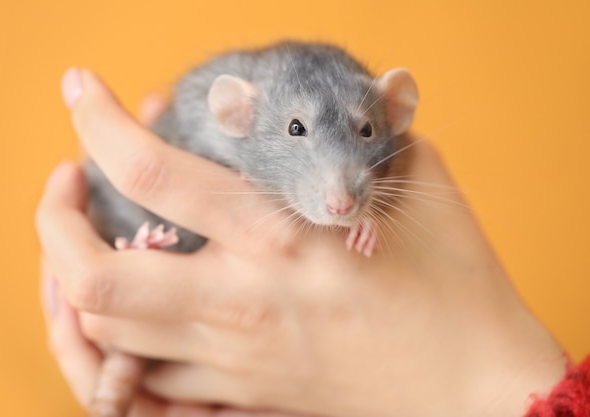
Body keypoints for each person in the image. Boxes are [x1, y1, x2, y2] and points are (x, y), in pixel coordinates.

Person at [36, 68, 589, 417]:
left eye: (366, 130)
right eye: (297, 131)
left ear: (393, 110)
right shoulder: (224, 108)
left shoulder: (388, 158)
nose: (340, 198)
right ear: (238, 114)